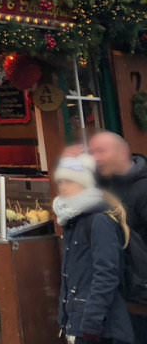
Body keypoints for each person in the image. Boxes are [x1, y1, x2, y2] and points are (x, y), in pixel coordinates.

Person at [53, 153, 135, 344]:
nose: (63, 187)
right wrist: (65, 320)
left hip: (100, 329)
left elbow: (106, 274)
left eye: (69, 181)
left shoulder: (98, 221)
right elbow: (72, 277)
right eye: (61, 181)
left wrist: (90, 324)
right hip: (80, 323)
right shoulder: (73, 221)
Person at [89, 131, 147, 339]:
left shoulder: (143, 189)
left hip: (140, 300)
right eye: (92, 152)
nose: (95, 157)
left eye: (101, 151)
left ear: (123, 152)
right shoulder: (100, 186)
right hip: (118, 297)